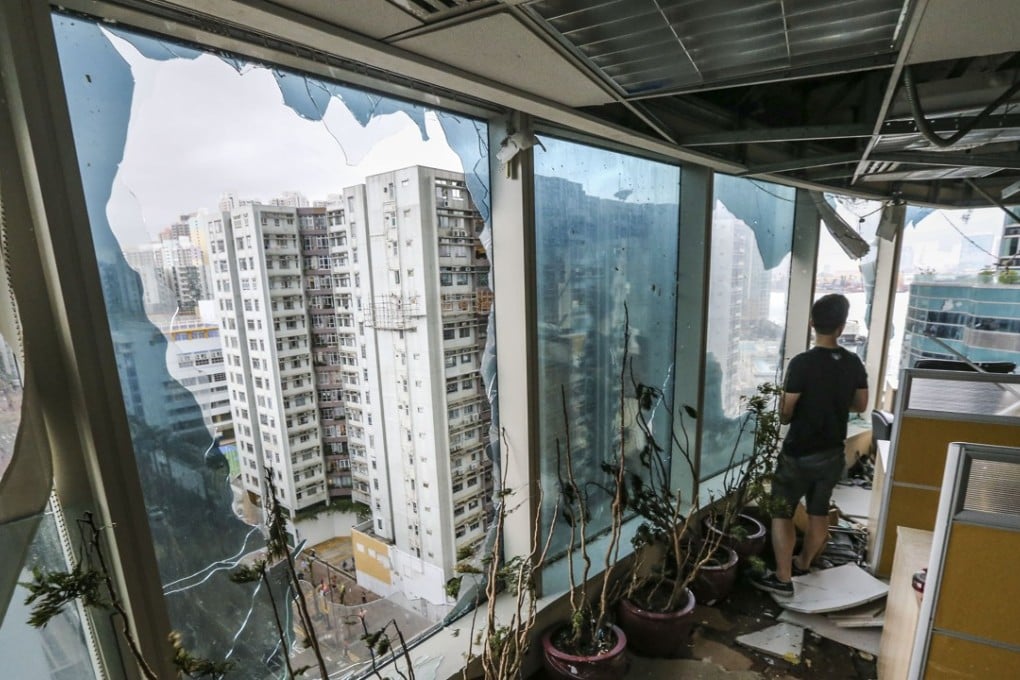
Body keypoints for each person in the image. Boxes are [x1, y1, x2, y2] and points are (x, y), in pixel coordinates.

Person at [751, 293, 869, 597]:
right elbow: (861, 404)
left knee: (782, 514)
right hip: (832, 453)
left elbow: (786, 413)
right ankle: (803, 563)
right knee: (818, 513)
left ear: (812, 324)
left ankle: (783, 577)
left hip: (798, 454)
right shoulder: (853, 362)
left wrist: (789, 410)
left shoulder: (802, 364)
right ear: (841, 328)